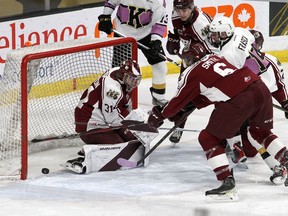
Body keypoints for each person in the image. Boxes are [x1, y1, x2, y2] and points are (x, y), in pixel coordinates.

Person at [147, 42, 288, 200]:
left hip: (239, 100)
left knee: (208, 138)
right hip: (259, 88)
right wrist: (180, 110)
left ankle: (227, 183)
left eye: (187, 58)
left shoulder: (192, 72)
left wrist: (160, 116)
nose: (185, 62)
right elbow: (211, 92)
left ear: (192, 58)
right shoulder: (215, 57)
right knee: (260, 133)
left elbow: (177, 101)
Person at [207, 16, 288, 184]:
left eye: (216, 35)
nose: (213, 38)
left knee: (247, 130)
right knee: (255, 136)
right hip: (257, 92)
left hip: (251, 93)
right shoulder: (241, 33)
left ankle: (274, 164)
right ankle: (238, 144)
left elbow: (226, 87)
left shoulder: (229, 55)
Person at [63, 59, 158, 174]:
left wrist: (137, 122)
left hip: (103, 120)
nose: (135, 83)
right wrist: (137, 124)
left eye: (137, 80)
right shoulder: (112, 89)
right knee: (120, 147)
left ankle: (97, 148)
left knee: (135, 140)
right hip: (89, 123)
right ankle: (84, 159)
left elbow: (122, 108)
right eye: (132, 79)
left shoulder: (117, 73)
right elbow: (111, 119)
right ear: (124, 76)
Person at [97, 0, 169, 106]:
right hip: (123, 33)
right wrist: (106, 16)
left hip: (146, 34)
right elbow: (111, 2)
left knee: (160, 65)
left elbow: (159, 20)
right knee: (119, 70)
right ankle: (116, 99)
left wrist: (156, 40)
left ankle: (158, 98)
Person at [166, 0, 213, 145]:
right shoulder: (175, 15)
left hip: (208, 59)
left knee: (216, 95)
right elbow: (177, 32)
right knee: (183, 92)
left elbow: (213, 47)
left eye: (184, 10)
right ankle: (179, 127)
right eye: (178, 10)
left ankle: (230, 134)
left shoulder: (201, 24)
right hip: (188, 58)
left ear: (192, 8)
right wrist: (173, 40)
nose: (181, 13)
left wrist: (197, 54)